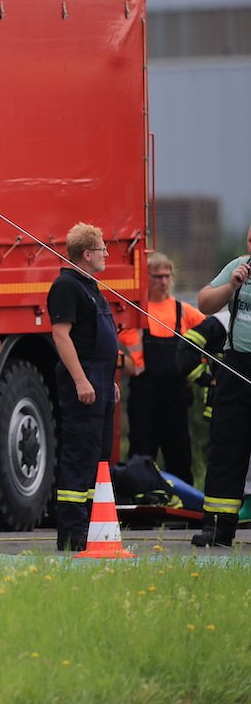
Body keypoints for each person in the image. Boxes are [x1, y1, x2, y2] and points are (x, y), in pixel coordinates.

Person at [47, 223, 120, 552]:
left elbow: (96, 338)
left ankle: (92, 528)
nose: (107, 254)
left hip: (101, 380)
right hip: (85, 381)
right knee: (79, 456)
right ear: (87, 254)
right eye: (103, 249)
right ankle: (72, 535)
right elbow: (61, 335)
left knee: (97, 456)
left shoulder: (91, 287)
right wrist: (80, 379)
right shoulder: (67, 286)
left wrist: (110, 379)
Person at [118, 252, 206, 485]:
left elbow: (213, 334)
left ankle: (183, 500)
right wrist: (123, 362)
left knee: (180, 452)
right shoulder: (136, 312)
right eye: (157, 276)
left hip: (177, 394)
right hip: (143, 394)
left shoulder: (183, 311)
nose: (164, 281)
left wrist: (201, 370)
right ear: (146, 278)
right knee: (141, 452)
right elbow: (105, 341)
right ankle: (141, 496)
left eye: (167, 276)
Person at [193, 224, 251, 546]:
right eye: (250, 240)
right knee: (226, 447)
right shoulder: (238, 267)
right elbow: (204, 303)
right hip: (236, 367)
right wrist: (231, 285)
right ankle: (217, 526)